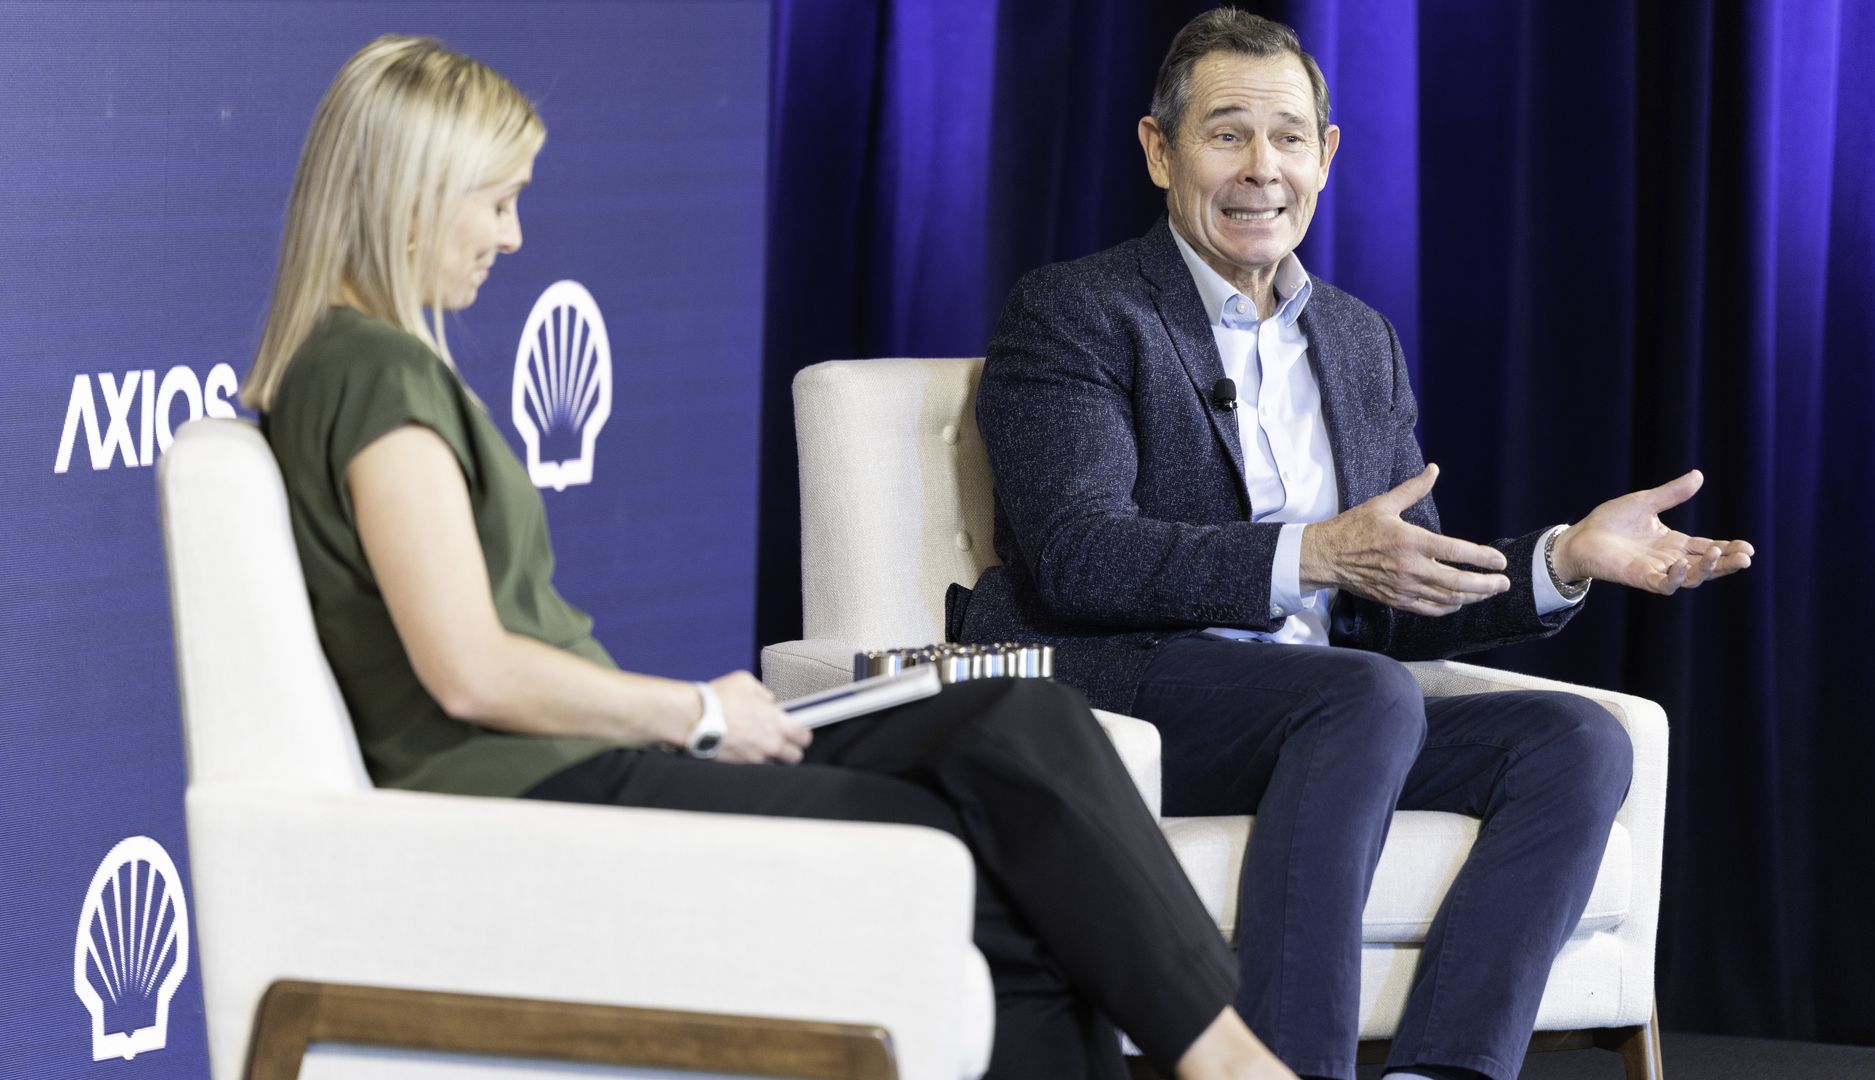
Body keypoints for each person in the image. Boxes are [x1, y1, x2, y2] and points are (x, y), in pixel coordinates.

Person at [241, 34, 1299, 1080]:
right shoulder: (374, 374)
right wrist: (697, 714)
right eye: (497, 199)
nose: (513, 236)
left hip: (589, 763)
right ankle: (1230, 1059)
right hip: (555, 785)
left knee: (1015, 718)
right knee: (997, 864)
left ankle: (1222, 1052)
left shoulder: (348, 365)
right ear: (413, 197)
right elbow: (468, 668)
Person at [954, 10, 1754, 1080]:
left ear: (1326, 156)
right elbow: (1076, 552)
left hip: (1321, 714)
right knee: (1362, 694)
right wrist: (1309, 556)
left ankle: (1446, 1068)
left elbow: (1398, 583)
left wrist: (1562, 559)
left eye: (1288, 137)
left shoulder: (1355, 339)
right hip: (1129, 696)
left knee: (1574, 742)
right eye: (1225, 134)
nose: (1261, 169)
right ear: (1159, 150)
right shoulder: (1079, 312)